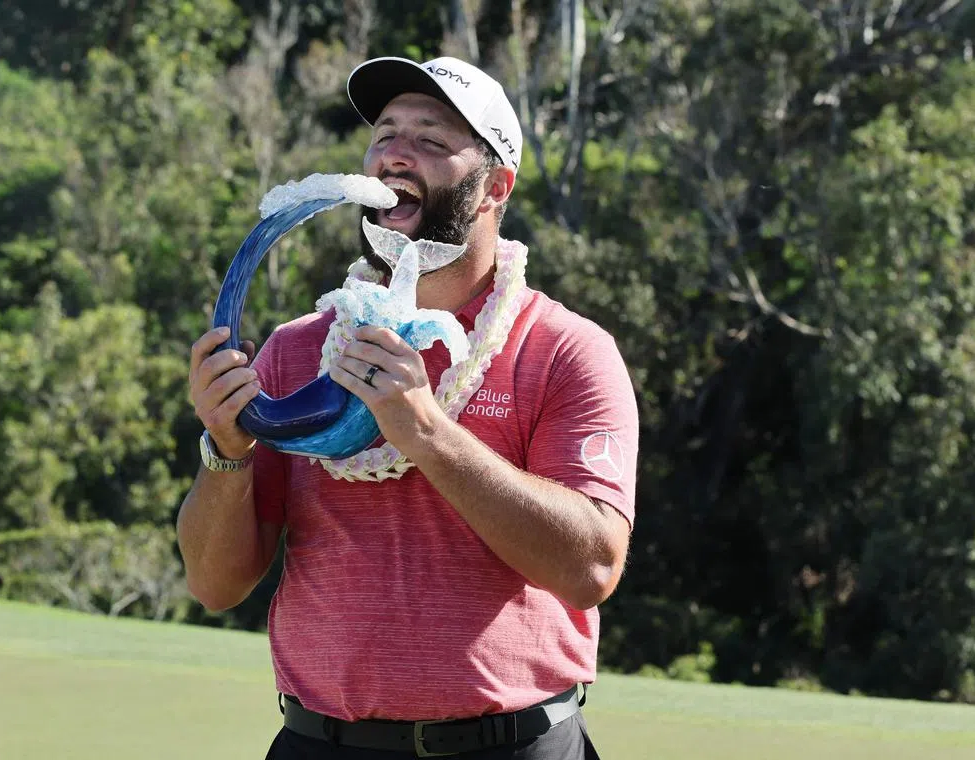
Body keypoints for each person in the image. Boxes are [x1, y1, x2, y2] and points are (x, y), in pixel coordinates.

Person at [177, 54, 639, 759]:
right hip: (320, 744)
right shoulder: (294, 352)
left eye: (431, 138)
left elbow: (591, 570)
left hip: (511, 747)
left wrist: (426, 433)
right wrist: (225, 449)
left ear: (495, 186)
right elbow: (214, 583)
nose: (396, 150)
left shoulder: (565, 350)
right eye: (385, 132)